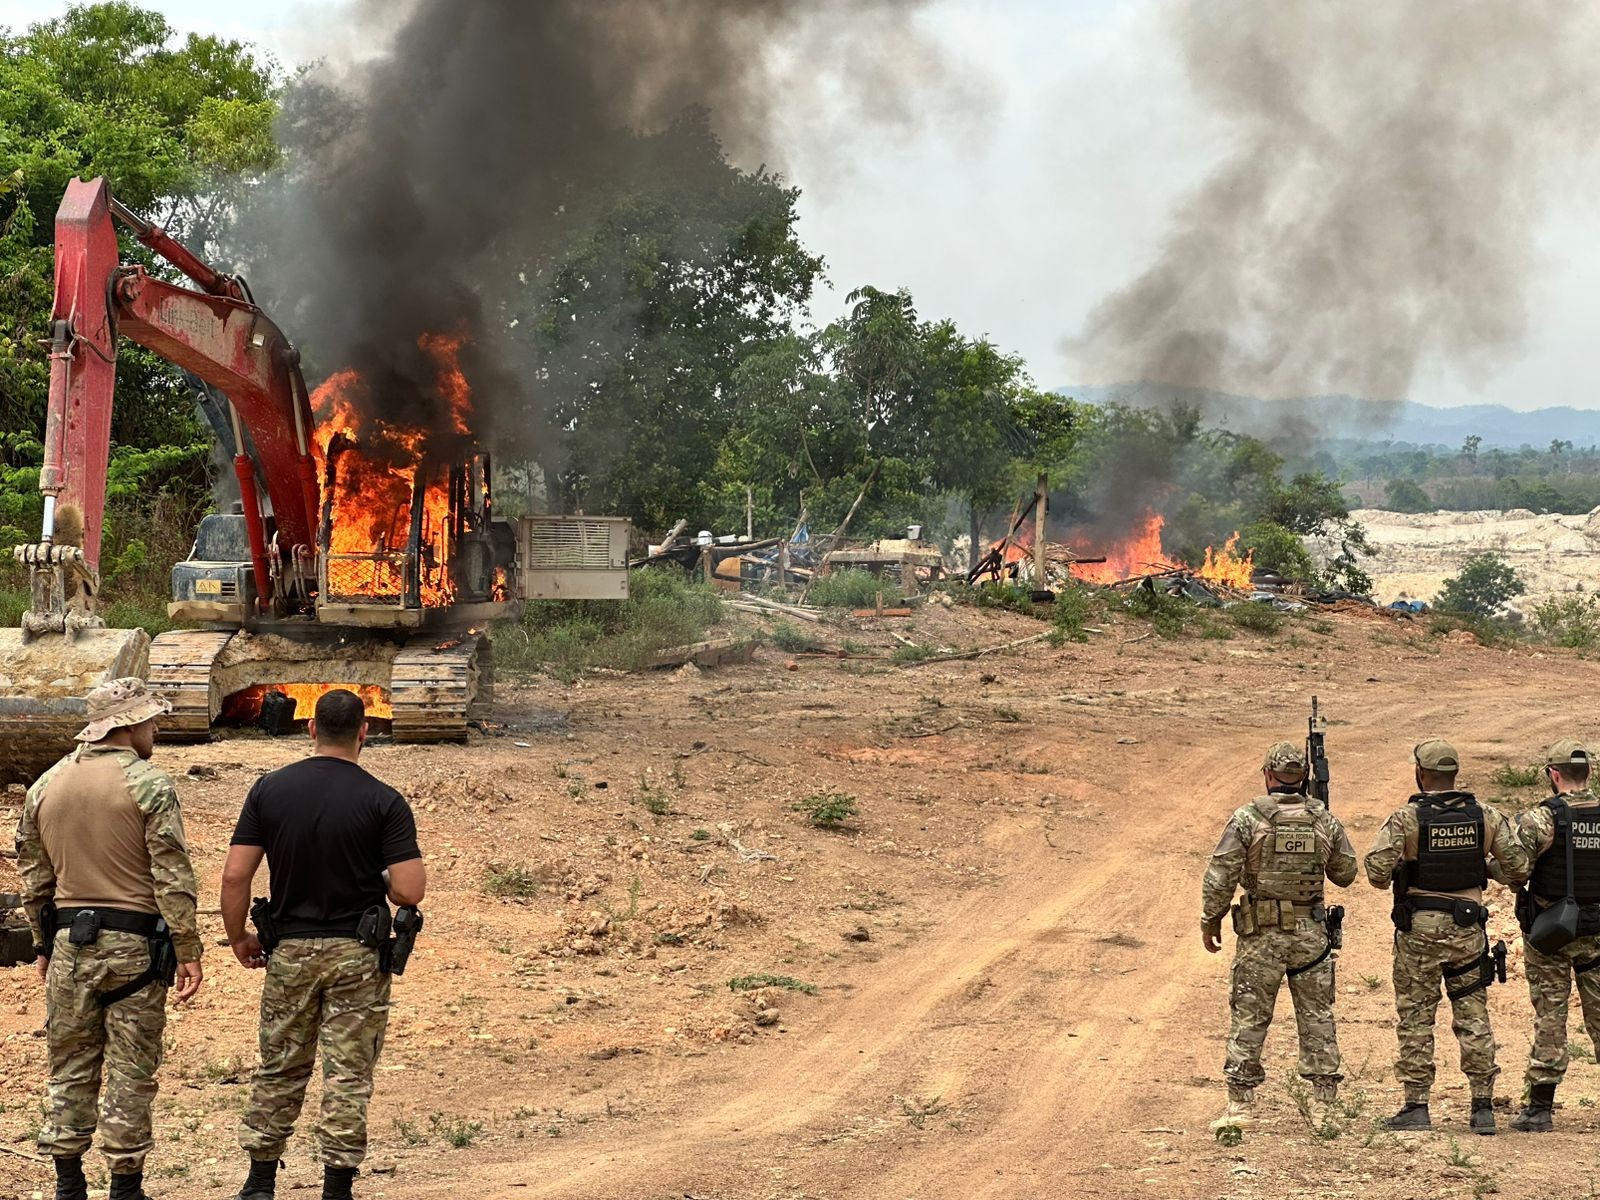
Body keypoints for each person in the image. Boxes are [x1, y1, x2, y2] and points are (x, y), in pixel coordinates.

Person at [220, 689, 425, 1200]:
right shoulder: (384, 800)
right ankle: (336, 1187)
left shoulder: (268, 791)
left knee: (281, 1065)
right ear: (364, 731)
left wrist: (238, 937)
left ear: (310, 729)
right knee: (348, 1073)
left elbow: (234, 875)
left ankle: (260, 1182)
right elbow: (409, 890)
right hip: (357, 954)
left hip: (289, 951)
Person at [14, 678, 204, 1200]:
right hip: (135, 946)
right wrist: (187, 949)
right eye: (151, 720)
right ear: (129, 724)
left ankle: (68, 1183)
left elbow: (33, 879)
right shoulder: (150, 785)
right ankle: (125, 1186)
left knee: (68, 1067)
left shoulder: (45, 785)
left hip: (69, 946)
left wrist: (41, 944)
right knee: (131, 1070)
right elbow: (171, 877)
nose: (156, 729)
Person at [1364, 738, 1530, 1134]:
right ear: (1454, 774)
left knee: (1417, 1015)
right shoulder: (1486, 816)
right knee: (1473, 1014)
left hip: (1418, 930)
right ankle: (1483, 1107)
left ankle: (1416, 1106)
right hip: (1467, 927)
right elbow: (1518, 868)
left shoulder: (1407, 819)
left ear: (1421, 774)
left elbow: (1374, 873)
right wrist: (1483, 867)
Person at [1201, 741, 1357, 1132]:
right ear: (1303, 777)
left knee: (1250, 1016)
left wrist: (1211, 919)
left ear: (1268, 775)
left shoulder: (1247, 819)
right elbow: (1346, 874)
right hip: (1311, 935)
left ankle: (1241, 1107)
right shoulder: (1324, 821)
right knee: (1318, 1016)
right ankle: (1325, 1108)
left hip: (1261, 934)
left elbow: (1221, 874)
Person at [1509, 739, 1600, 1132]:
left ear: (1553, 774)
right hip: (1598, 933)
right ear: (1590, 774)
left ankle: (1540, 1109)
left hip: (1551, 933)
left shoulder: (1539, 820)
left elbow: (1515, 871)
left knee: (1550, 1014)